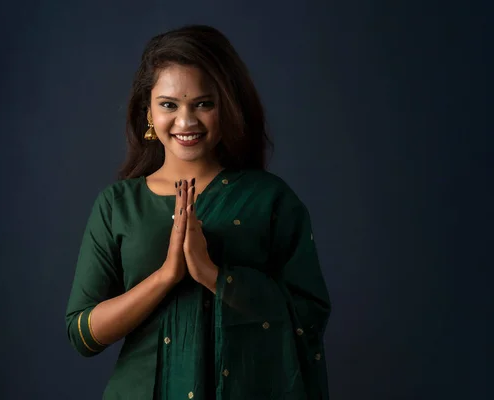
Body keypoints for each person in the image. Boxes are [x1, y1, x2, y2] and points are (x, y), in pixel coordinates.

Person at [65, 24, 331, 400]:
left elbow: (308, 314)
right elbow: (82, 334)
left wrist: (214, 275)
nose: (186, 121)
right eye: (169, 105)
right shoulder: (117, 204)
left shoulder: (269, 199)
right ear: (148, 113)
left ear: (228, 106)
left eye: (203, 104)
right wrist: (166, 277)